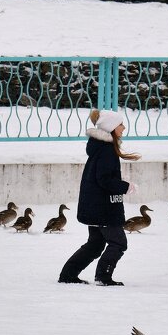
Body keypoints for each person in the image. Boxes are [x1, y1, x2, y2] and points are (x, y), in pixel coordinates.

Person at [58, 109, 139, 286]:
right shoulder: (107, 151)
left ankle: (68, 274)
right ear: (111, 128)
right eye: (120, 125)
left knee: (95, 245)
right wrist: (126, 187)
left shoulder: (100, 148)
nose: (124, 128)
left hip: (95, 206)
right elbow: (105, 180)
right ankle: (103, 276)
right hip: (104, 208)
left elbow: (101, 177)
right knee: (118, 242)